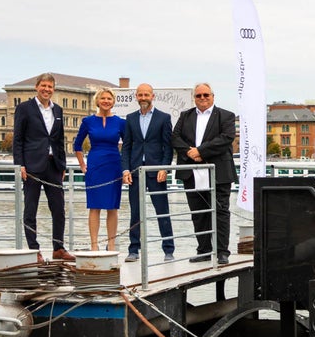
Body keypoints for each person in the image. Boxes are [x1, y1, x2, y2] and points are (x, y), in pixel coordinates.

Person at [171, 83, 236, 265]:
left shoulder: (226, 116)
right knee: (198, 213)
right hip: (191, 171)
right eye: (198, 95)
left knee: (221, 212)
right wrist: (190, 152)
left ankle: (222, 251)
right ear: (194, 98)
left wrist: (201, 151)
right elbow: (175, 137)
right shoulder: (185, 115)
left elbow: (226, 138)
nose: (202, 98)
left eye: (206, 95)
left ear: (213, 96)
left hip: (218, 172)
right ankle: (204, 250)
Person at [13, 73, 74, 261]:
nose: (47, 89)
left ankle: (58, 248)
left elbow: (59, 139)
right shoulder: (24, 108)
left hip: (53, 165)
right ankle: (34, 250)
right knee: (30, 209)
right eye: (44, 86)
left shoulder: (58, 110)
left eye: (50, 87)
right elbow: (18, 139)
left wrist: (62, 165)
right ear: (36, 87)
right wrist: (20, 165)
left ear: (53, 89)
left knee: (59, 209)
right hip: (32, 166)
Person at [121, 83, 175, 262]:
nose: (143, 98)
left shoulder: (164, 118)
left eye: (146, 95)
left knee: (162, 211)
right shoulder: (130, 118)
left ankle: (168, 249)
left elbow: (168, 147)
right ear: (136, 97)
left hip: (156, 171)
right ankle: (133, 249)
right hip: (136, 172)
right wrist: (126, 169)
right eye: (140, 95)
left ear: (153, 96)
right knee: (135, 212)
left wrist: (164, 167)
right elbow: (126, 147)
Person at [73, 88, 126, 251]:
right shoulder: (88, 121)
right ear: (97, 101)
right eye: (103, 98)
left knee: (112, 206)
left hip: (114, 165)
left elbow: (128, 146)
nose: (106, 101)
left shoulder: (121, 122)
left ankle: (111, 244)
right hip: (95, 165)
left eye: (109, 98)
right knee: (94, 206)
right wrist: (82, 165)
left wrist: (125, 168)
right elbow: (77, 145)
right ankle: (94, 245)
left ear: (113, 101)